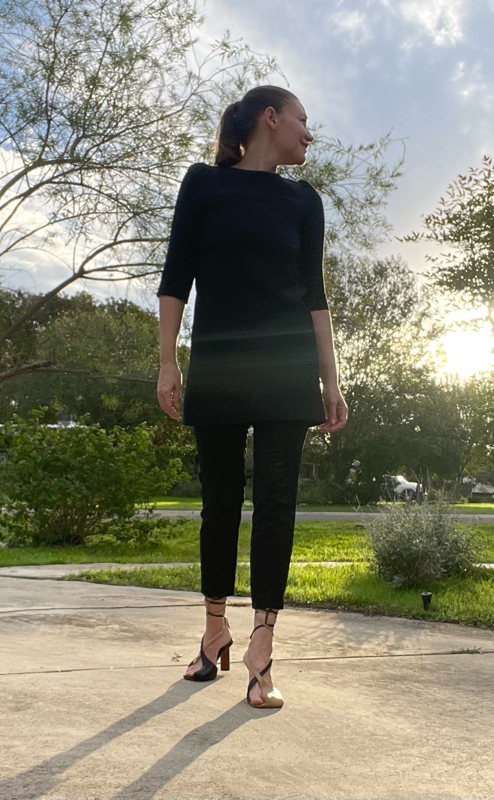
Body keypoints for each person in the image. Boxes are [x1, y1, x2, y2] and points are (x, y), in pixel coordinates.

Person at [156, 86, 348, 708]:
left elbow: (313, 294)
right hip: (219, 368)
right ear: (271, 118)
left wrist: (331, 379)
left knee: (276, 507)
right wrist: (167, 362)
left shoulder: (303, 200)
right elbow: (175, 275)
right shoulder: (205, 184)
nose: (309, 134)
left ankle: (263, 645)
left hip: (288, 373)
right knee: (218, 502)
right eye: (303, 120)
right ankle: (215, 630)